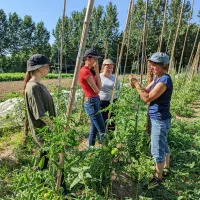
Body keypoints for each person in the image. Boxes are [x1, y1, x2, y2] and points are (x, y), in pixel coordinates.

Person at [129, 52, 173, 183]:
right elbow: (146, 91)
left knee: (157, 148)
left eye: (155, 65)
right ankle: (166, 168)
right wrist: (135, 84)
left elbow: (147, 98)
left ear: (163, 65)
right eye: (152, 64)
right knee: (163, 144)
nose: (152, 67)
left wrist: (137, 85)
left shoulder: (165, 80)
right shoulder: (157, 79)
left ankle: (158, 178)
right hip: (159, 118)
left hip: (160, 119)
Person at [24, 54, 55, 169]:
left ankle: (40, 176)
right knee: (56, 157)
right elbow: (40, 114)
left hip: (47, 129)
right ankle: (62, 185)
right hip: (43, 130)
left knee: (44, 158)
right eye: (46, 66)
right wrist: (55, 127)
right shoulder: (32, 87)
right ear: (38, 68)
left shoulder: (39, 84)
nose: (48, 68)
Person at [78, 48, 106, 147]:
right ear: (87, 58)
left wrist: (97, 72)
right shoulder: (84, 71)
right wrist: (96, 72)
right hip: (91, 102)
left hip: (95, 101)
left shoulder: (90, 71)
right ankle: (109, 155)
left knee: (94, 129)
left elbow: (100, 87)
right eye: (94, 59)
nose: (96, 61)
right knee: (103, 131)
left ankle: (91, 151)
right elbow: (97, 90)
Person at [99, 58, 120, 132]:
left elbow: (118, 89)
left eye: (111, 67)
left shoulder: (114, 77)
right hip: (102, 102)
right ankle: (103, 138)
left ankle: (111, 139)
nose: (109, 69)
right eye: (107, 67)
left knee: (112, 121)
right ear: (103, 67)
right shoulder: (99, 77)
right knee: (103, 121)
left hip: (113, 102)